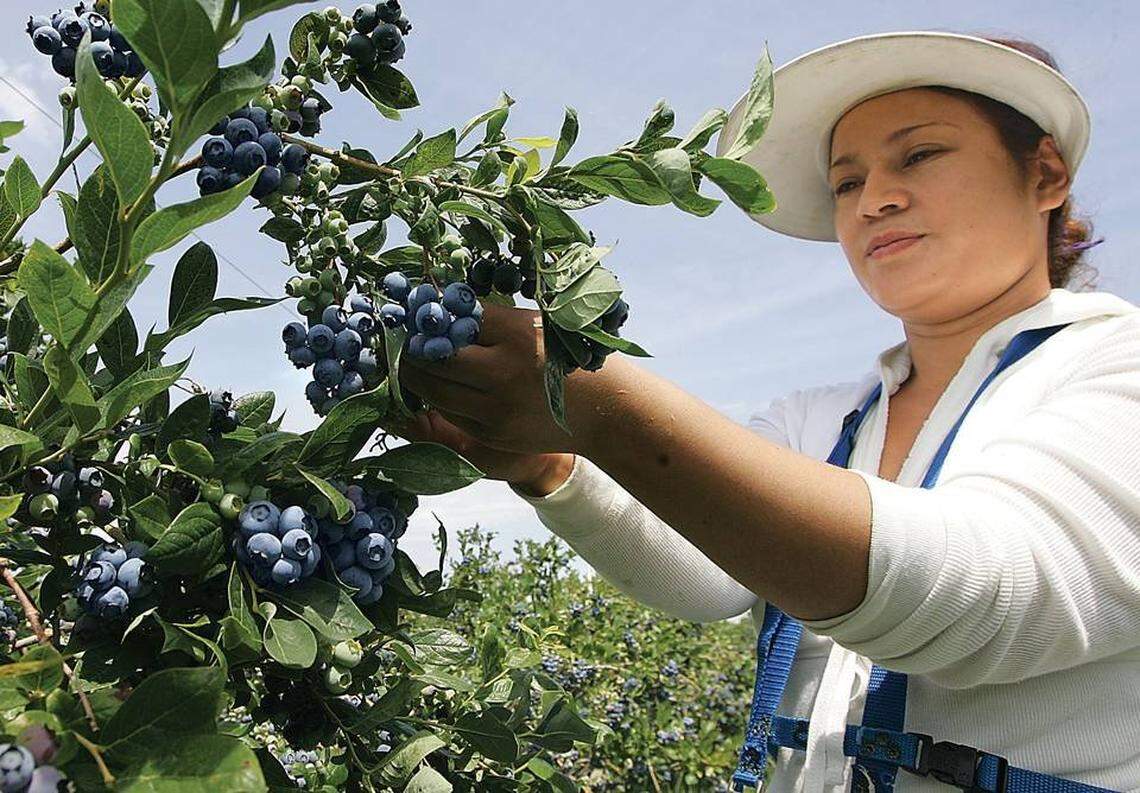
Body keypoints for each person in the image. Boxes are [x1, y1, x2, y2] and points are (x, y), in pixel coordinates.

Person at [387, 29, 1140, 793]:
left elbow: (982, 593)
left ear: (1044, 173)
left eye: (919, 155)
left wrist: (591, 401)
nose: (875, 198)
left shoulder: (1114, 368)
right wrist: (550, 461)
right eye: (847, 182)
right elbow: (717, 574)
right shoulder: (821, 420)